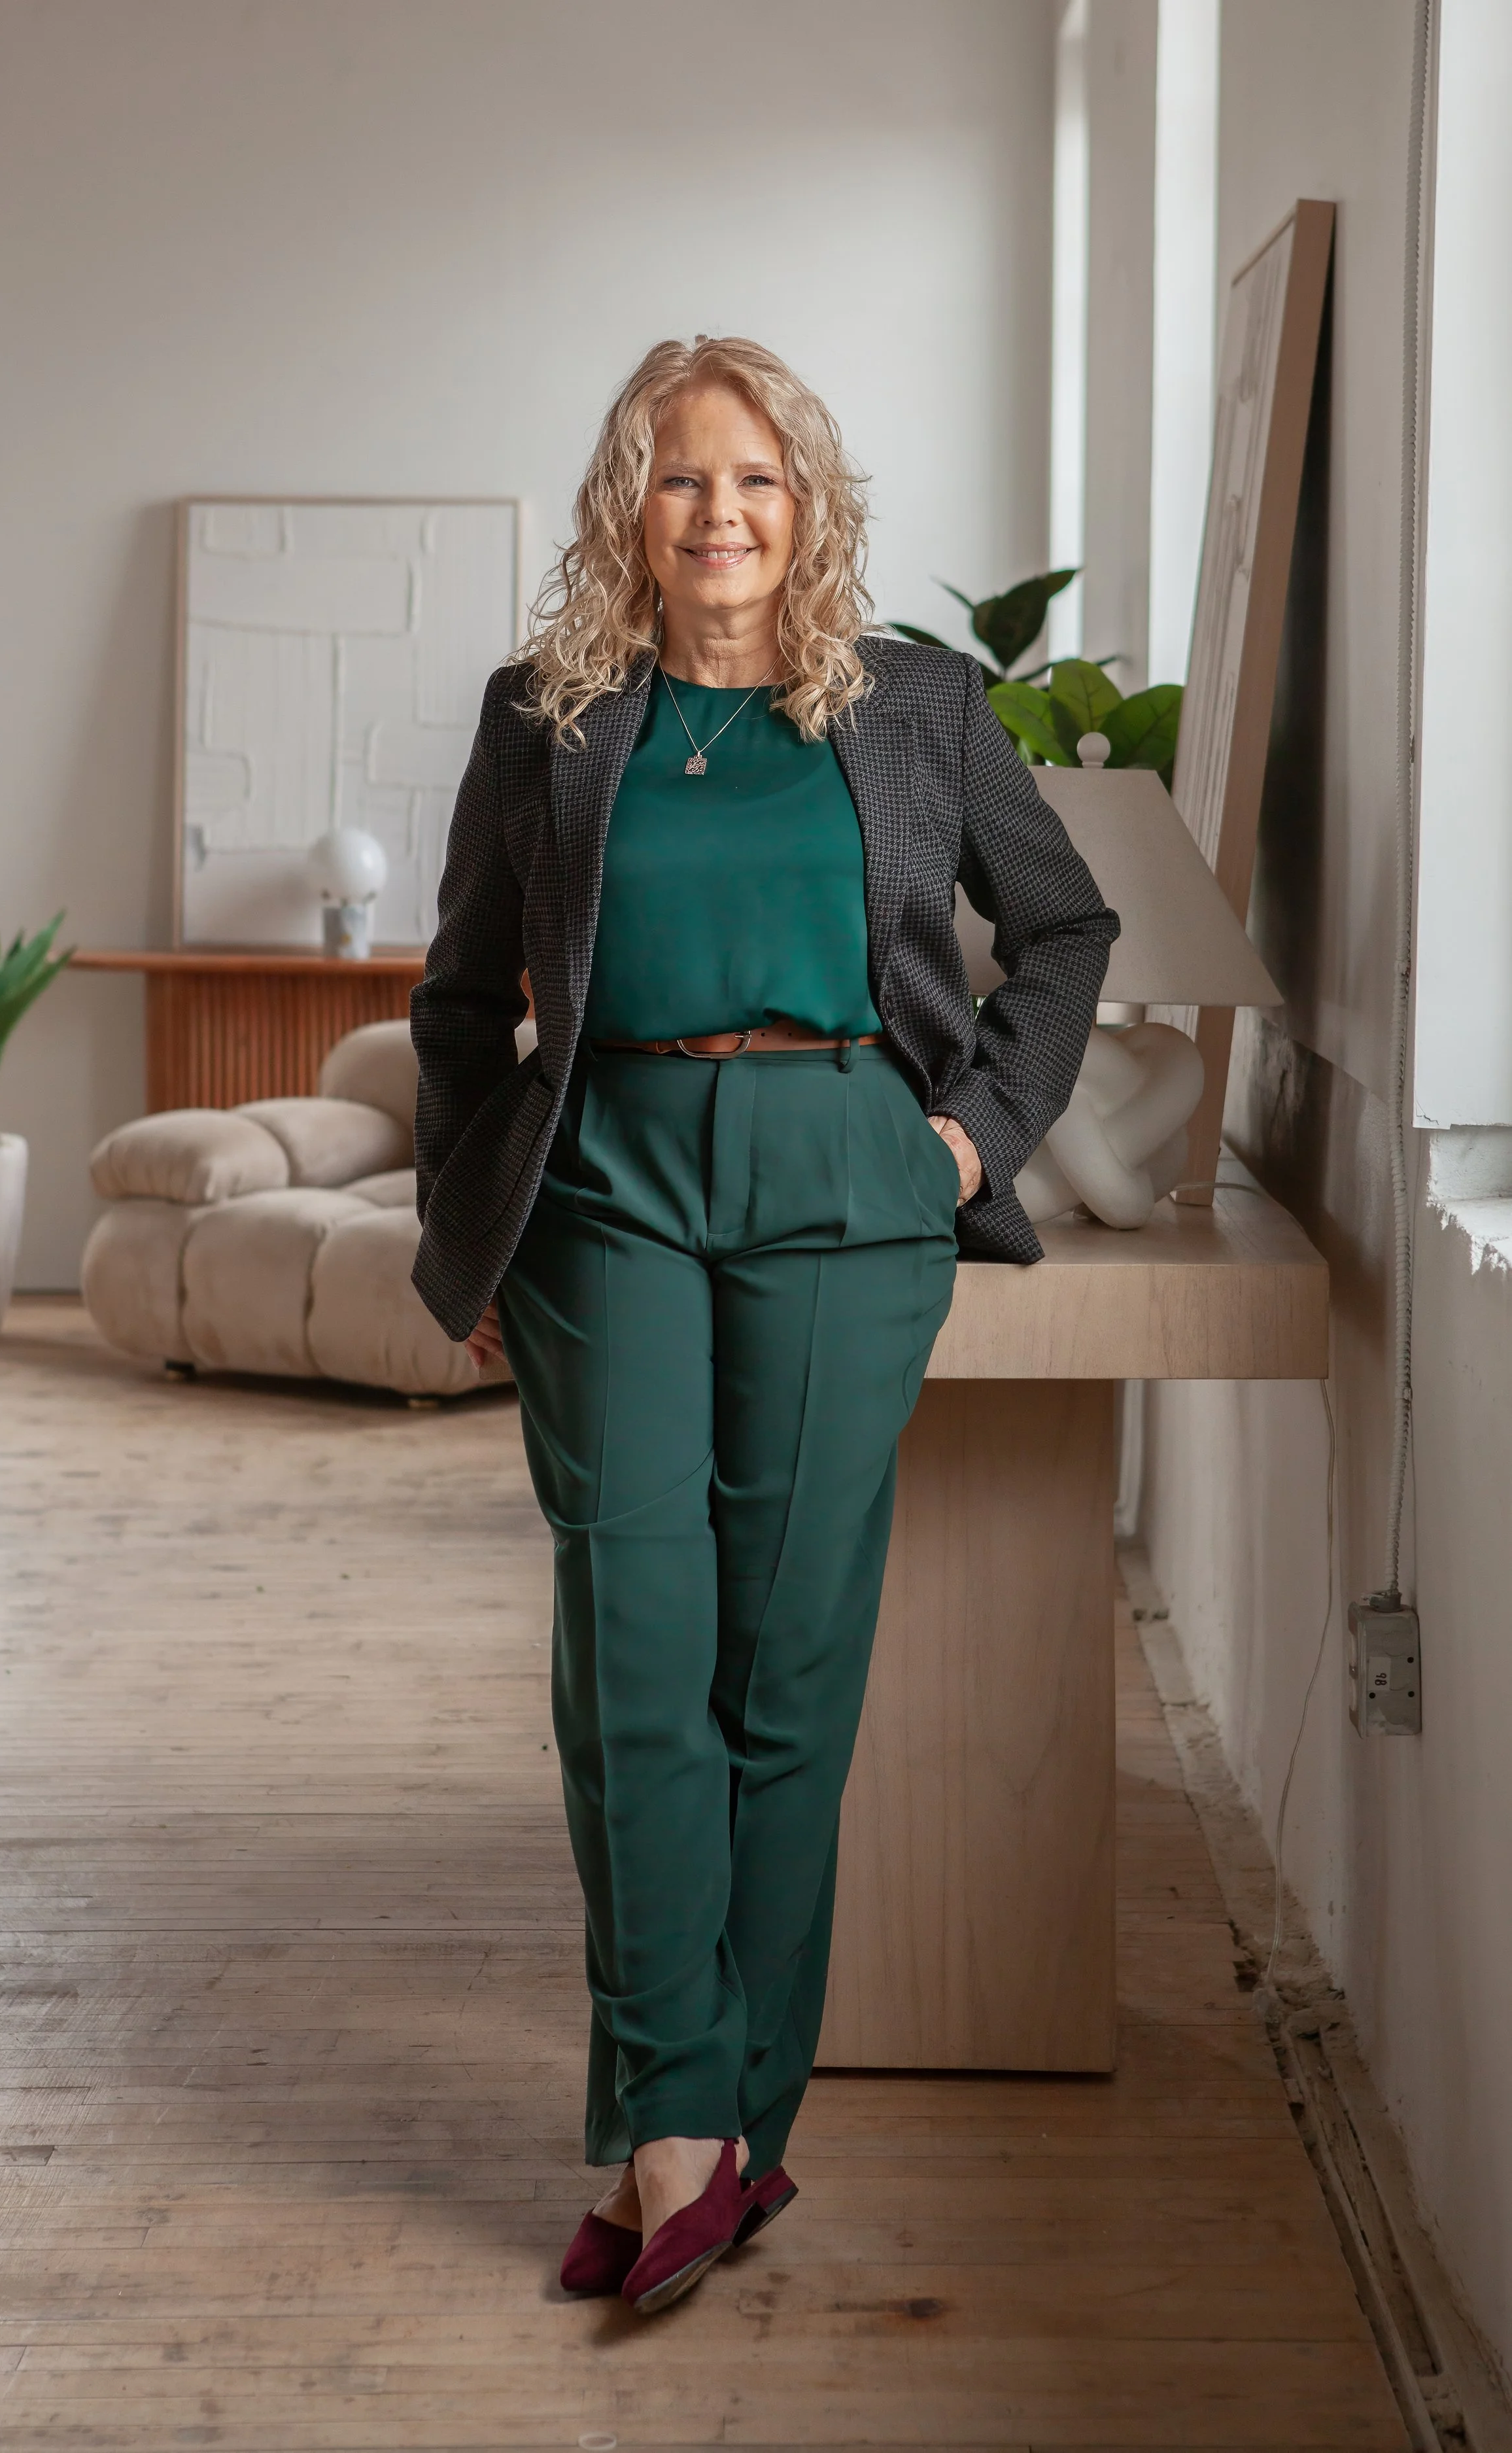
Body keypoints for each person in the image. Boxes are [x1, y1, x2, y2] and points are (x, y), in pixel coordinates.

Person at [411, 336, 1118, 2316]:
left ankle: (733, 2129)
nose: (718, 516)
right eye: (675, 479)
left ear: (805, 504)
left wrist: (968, 1142)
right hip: (608, 1184)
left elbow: (1060, 930)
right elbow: (462, 997)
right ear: (623, 510)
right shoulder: (540, 718)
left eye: (755, 480)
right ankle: (670, 2126)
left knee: (784, 1680)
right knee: (629, 1668)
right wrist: (468, 1213)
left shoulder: (916, 708)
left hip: (843, 1183)